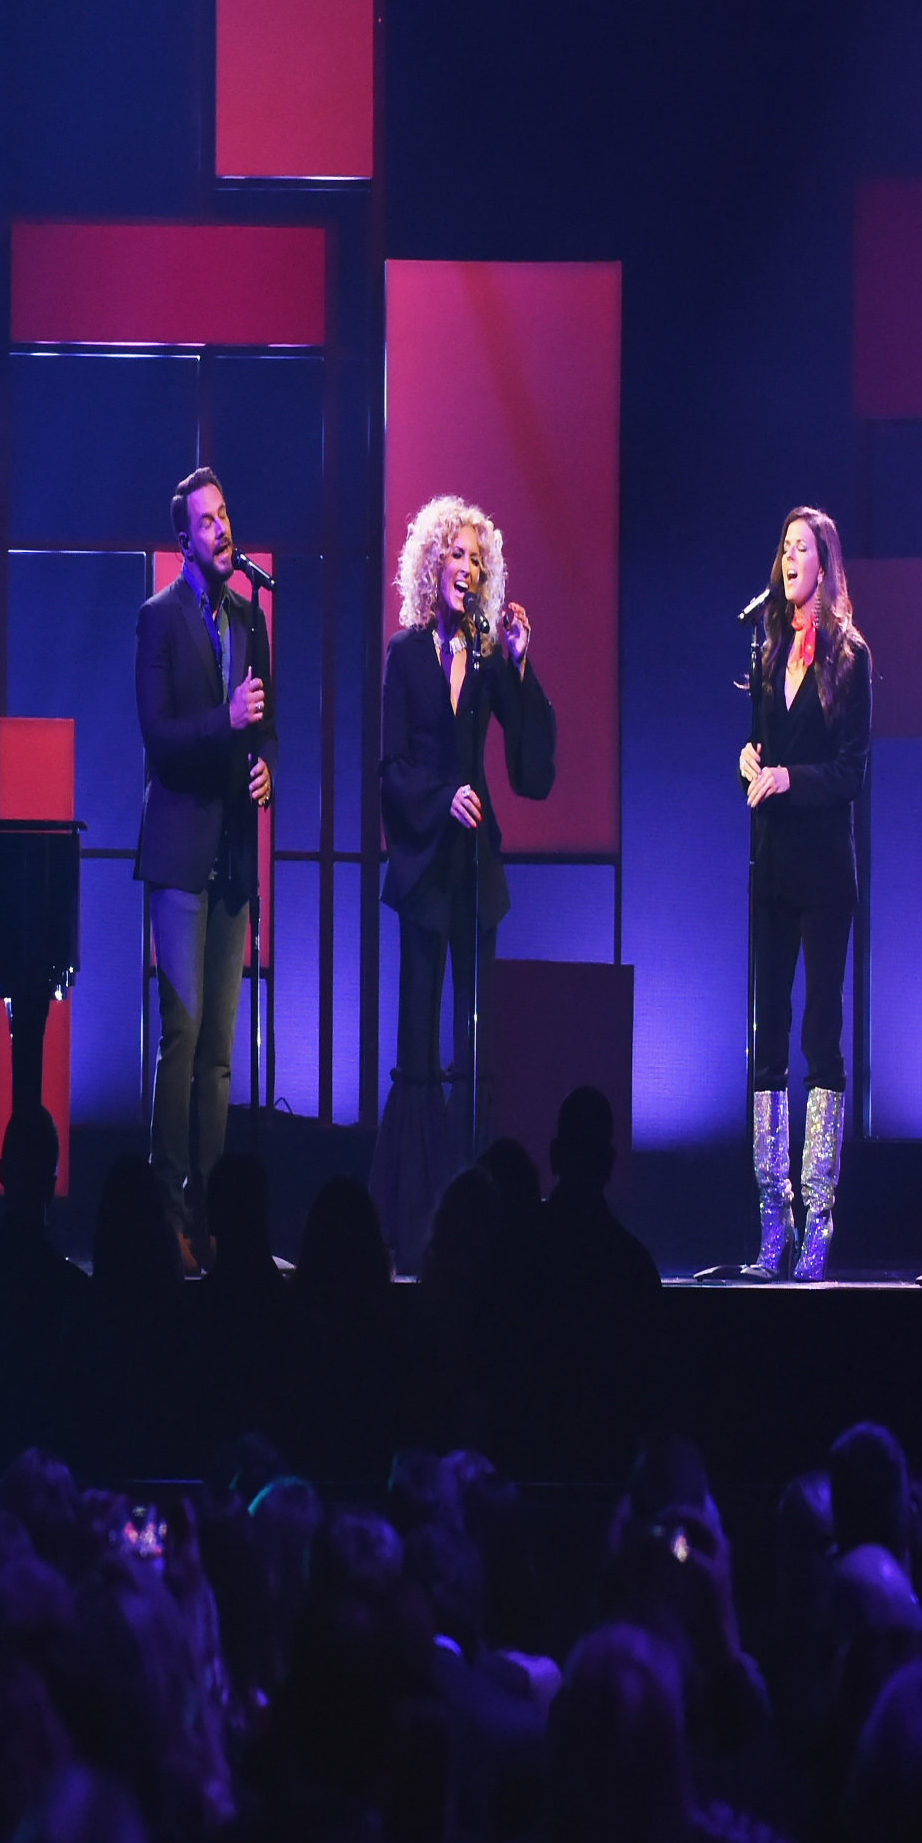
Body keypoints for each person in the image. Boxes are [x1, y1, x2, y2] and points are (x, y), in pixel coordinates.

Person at [369, 495, 555, 1267]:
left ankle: (479, 1215)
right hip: (422, 870)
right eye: (458, 555)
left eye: (479, 560)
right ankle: (414, 1217)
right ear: (431, 563)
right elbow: (390, 771)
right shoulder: (405, 655)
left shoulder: (484, 661)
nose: (469, 569)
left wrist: (517, 662)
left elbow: (531, 768)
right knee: (418, 1045)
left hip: (476, 873)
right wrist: (439, 796)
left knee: (474, 1045)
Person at [134, 468, 276, 1267]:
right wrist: (222, 723)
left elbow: (270, 730)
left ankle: (213, 1219)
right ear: (184, 539)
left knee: (222, 1047)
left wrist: (267, 769)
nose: (223, 529)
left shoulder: (252, 621)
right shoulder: (160, 619)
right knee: (181, 1038)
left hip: (233, 857)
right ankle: (165, 1220)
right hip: (179, 850)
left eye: (226, 514)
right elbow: (156, 736)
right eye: (207, 521)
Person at [737, 507, 871, 1282]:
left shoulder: (850, 659)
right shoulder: (765, 654)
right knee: (766, 1038)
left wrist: (792, 779)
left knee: (821, 1036)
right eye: (783, 546)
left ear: (825, 563)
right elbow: (760, 752)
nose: (789, 558)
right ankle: (769, 1222)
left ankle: (818, 1223)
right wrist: (750, 764)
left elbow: (852, 772)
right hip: (772, 868)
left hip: (825, 873)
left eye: (802, 548)